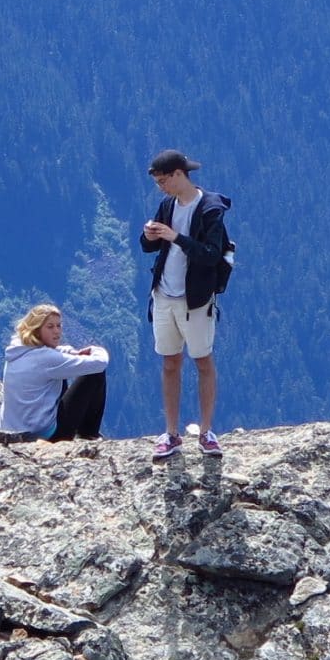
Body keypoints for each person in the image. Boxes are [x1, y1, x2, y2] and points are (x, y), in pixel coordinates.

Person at [141, 149, 231, 460]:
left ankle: (206, 432)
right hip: (165, 295)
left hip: (195, 300)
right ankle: (171, 432)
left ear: (179, 174)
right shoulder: (167, 205)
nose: (161, 187)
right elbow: (148, 248)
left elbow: (210, 255)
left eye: (164, 180)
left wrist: (175, 237)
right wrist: (150, 235)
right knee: (169, 362)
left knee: (203, 361)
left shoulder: (210, 209)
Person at [0, 303, 110, 440]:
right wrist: (96, 350)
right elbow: (100, 363)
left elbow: (53, 355)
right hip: (45, 435)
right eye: (50, 327)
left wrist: (72, 352)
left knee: (62, 371)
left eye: (59, 325)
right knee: (95, 373)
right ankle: (88, 434)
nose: (57, 331)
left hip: (14, 432)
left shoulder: (18, 351)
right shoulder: (46, 359)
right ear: (37, 330)